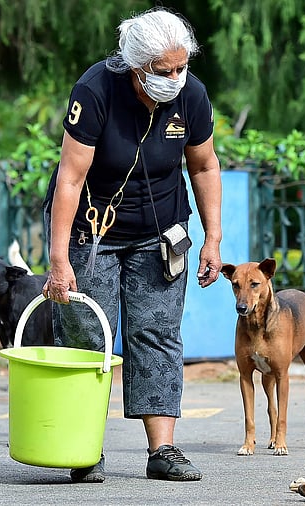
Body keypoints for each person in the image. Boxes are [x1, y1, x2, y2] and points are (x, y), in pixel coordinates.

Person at [41, 7, 222, 483]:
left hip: (161, 233)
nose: (175, 79)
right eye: (163, 72)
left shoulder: (193, 96)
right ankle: (83, 447)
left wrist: (212, 239)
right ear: (135, 66)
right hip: (91, 232)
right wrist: (59, 259)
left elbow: (204, 167)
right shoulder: (96, 89)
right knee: (86, 338)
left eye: (181, 67)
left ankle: (163, 450)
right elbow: (70, 177)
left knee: (157, 333)